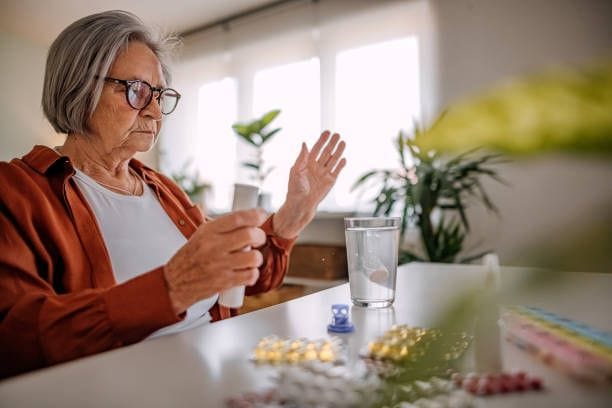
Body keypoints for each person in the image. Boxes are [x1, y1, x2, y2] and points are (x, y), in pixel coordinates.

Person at [0, 10, 346, 379]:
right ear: (79, 88)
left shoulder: (162, 189)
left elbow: (246, 278)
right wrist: (171, 288)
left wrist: (293, 213)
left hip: (212, 375)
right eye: (136, 91)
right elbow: (16, 341)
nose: (154, 111)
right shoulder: (16, 190)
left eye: (160, 94)